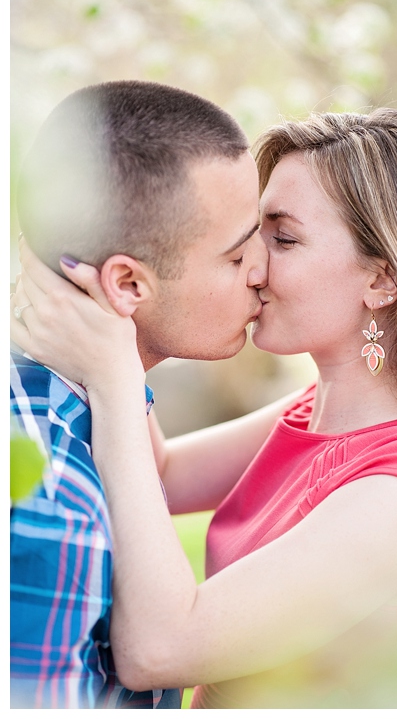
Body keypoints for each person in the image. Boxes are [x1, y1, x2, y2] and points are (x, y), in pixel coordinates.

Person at [11, 106, 397, 708]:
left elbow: (159, 649)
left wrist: (115, 374)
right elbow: (156, 473)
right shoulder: (316, 408)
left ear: (382, 281)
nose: (252, 265)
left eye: (283, 239)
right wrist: (119, 311)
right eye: (250, 233)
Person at [9, 80, 266, 709]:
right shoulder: (46, 494)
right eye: (235, 258)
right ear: (127, 284)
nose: (262, 269)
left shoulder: (84, 408)